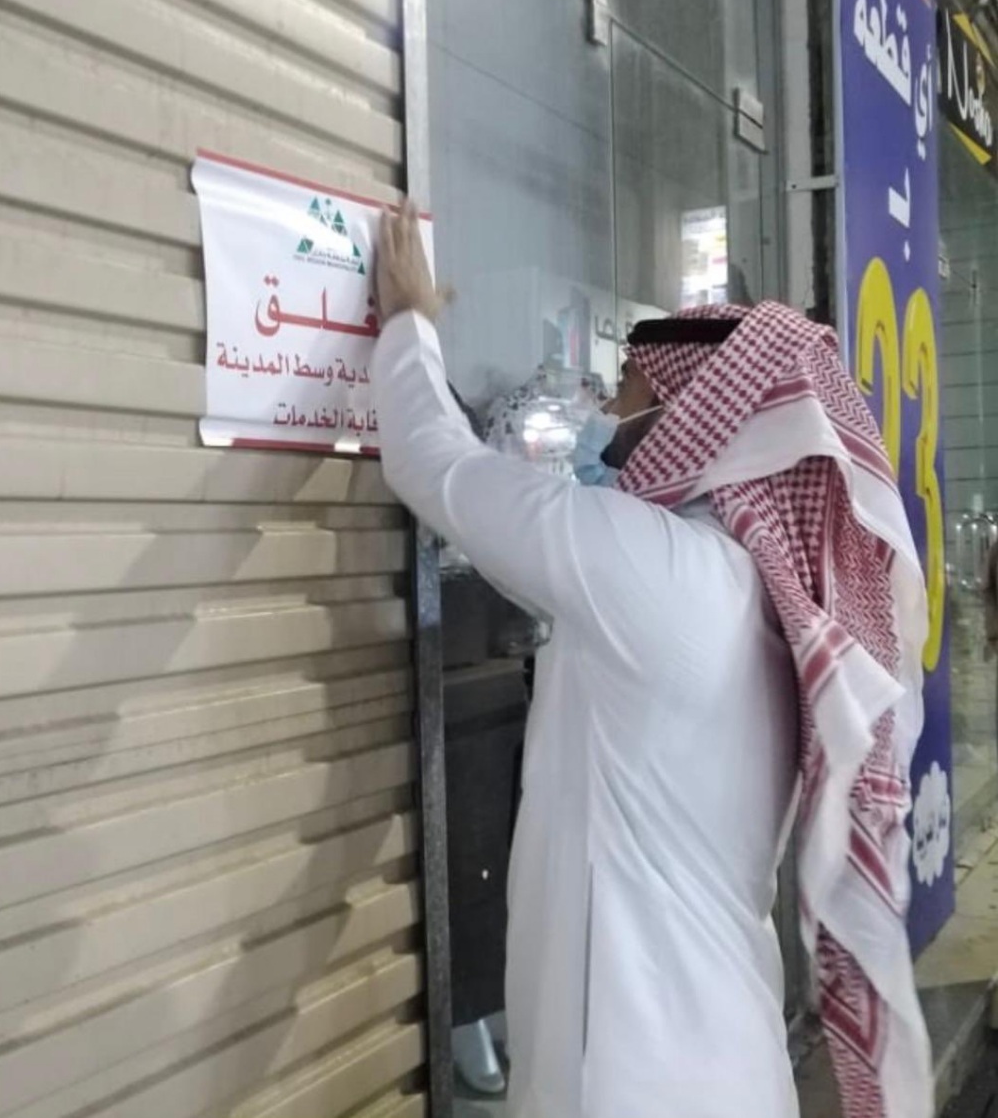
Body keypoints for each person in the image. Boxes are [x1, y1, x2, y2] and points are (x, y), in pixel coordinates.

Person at [370, 202, 933, 1118]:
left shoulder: (660, 568)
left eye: (628, 386)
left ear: (698, 414)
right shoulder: (764, 601)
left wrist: (407, 322)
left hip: (631, 1074)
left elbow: (436, 466)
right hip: (732, 1059)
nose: (606, 409)